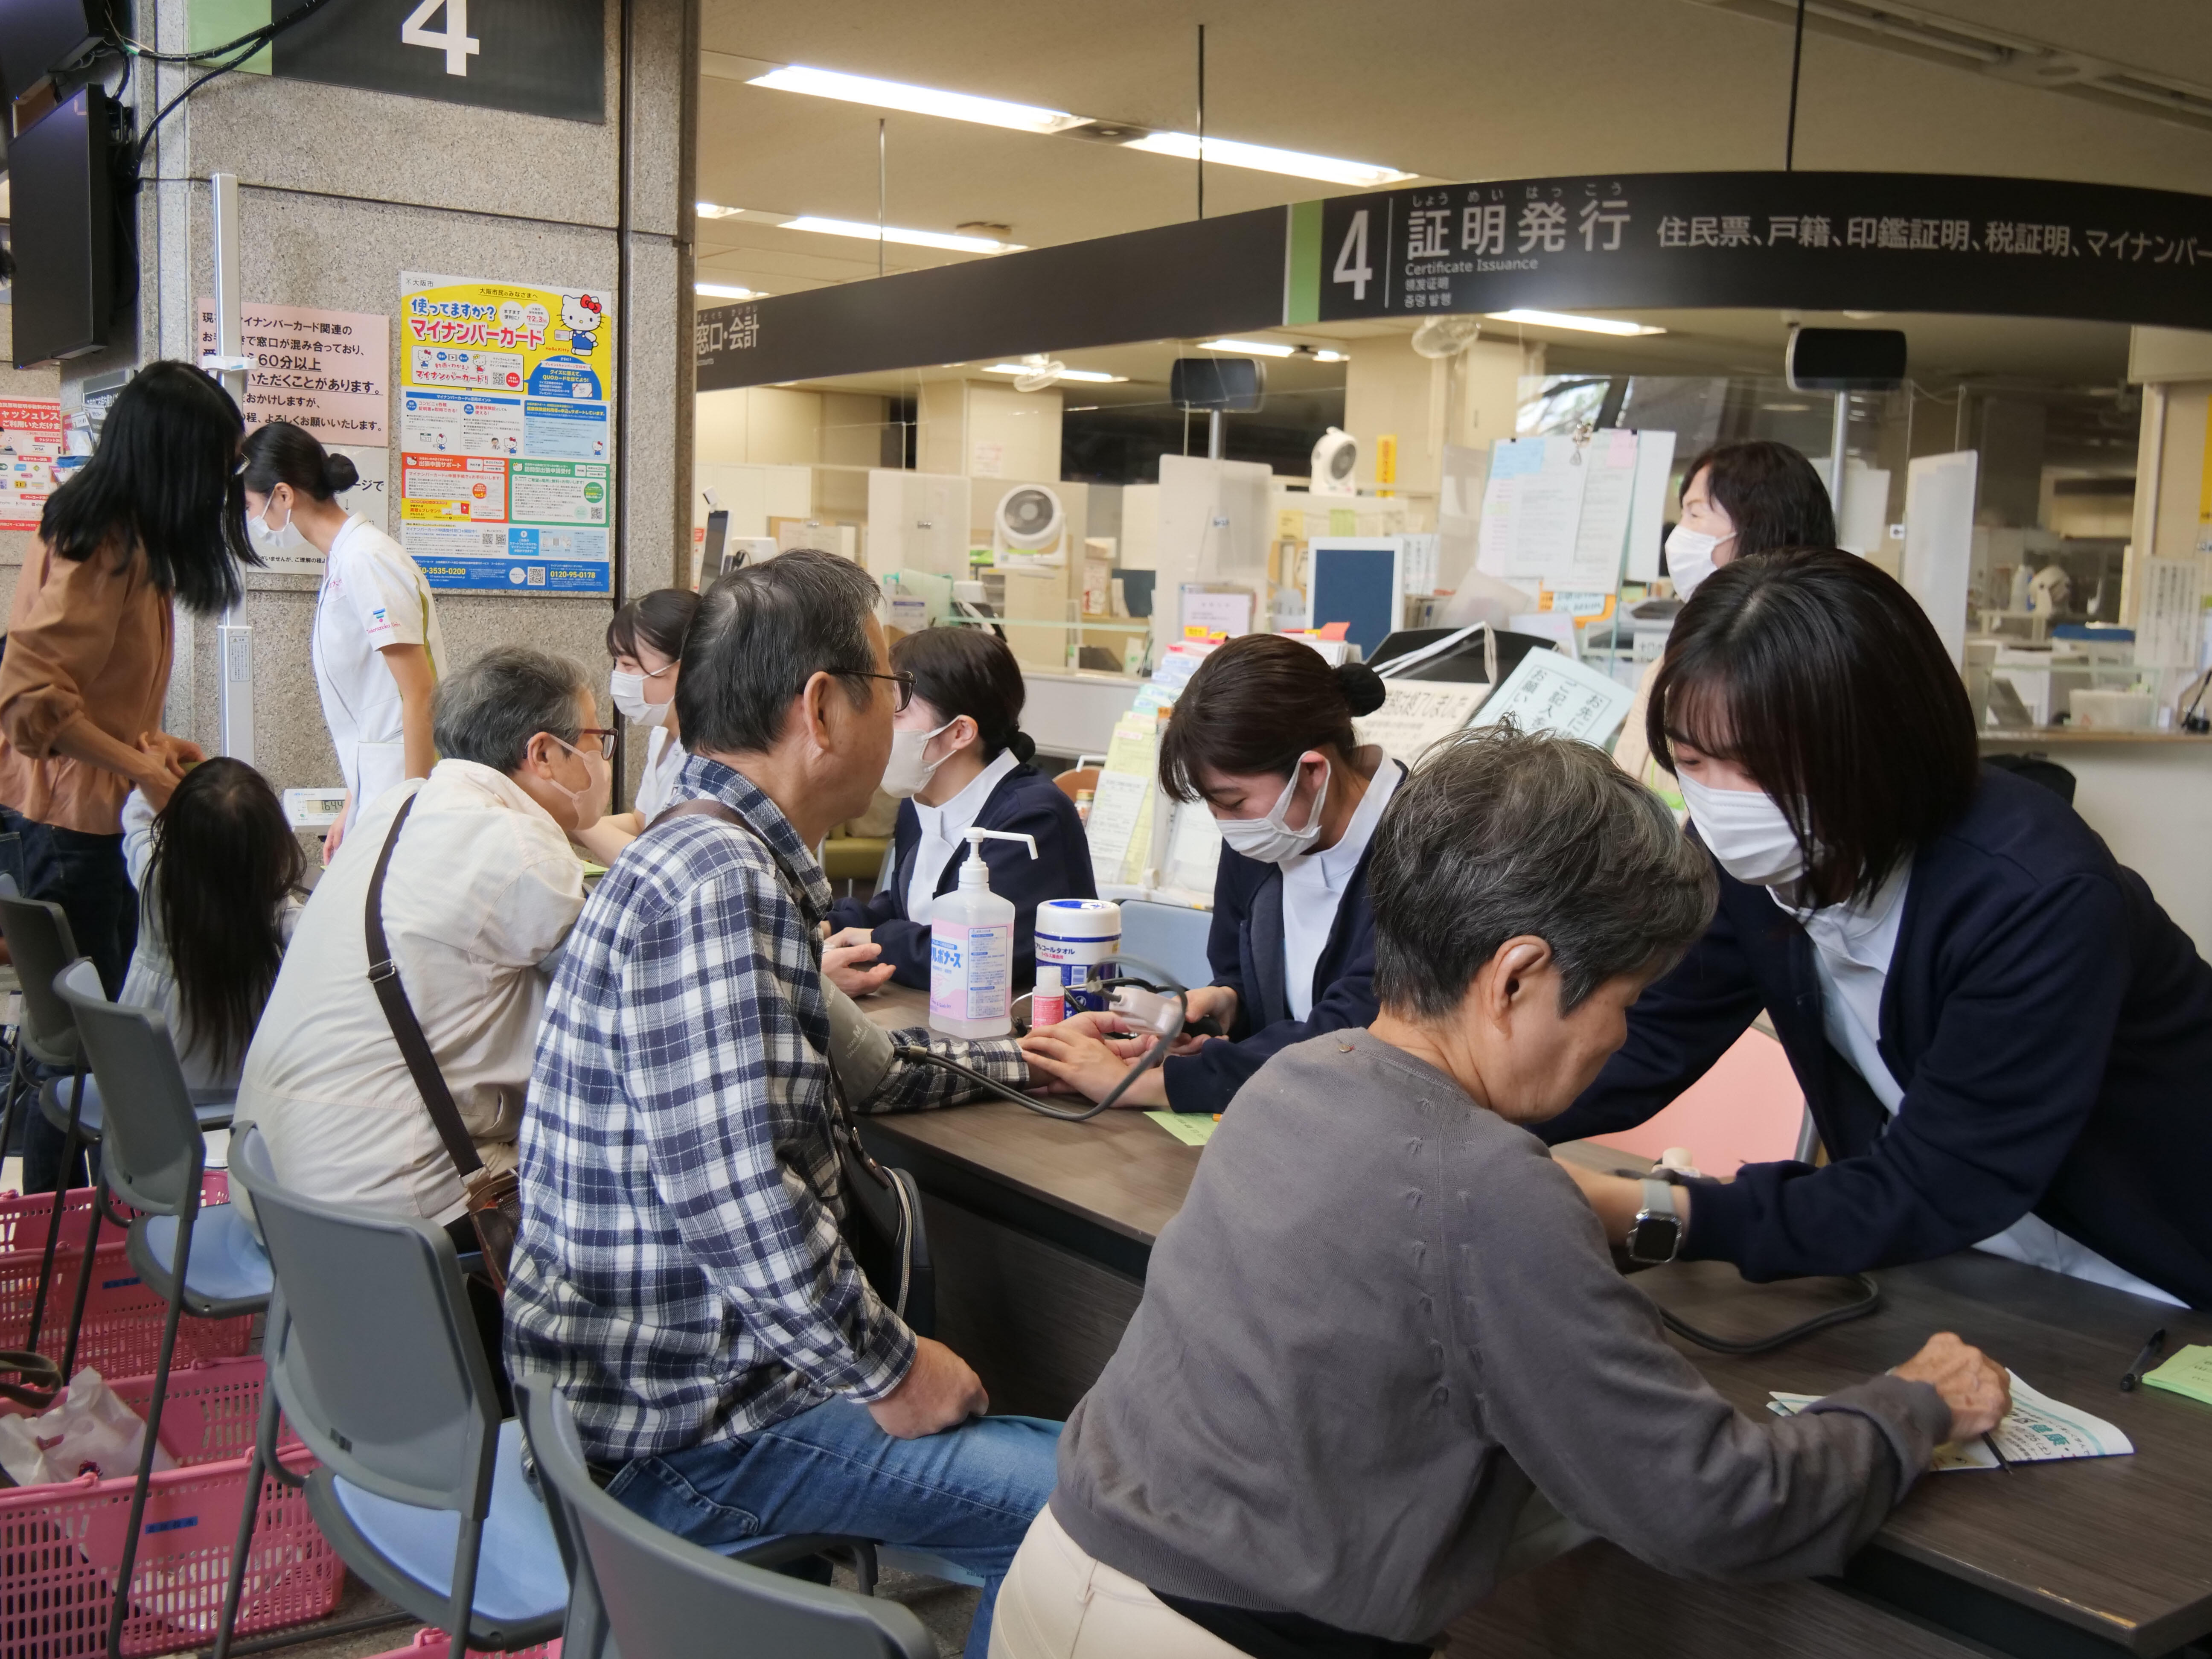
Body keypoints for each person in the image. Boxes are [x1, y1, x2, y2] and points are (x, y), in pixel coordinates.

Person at [994, 727, 2009, 1659]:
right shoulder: (1486, 1187)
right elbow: (1713, 1507)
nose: (1620, 1037)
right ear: (1517, 977)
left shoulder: (1295, 1080)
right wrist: (1911, 1406)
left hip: (1054, 1577)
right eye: (1623, 1001)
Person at [503, 552, 1062, 1659]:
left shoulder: (704, 850)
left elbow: (870, 1068)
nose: (899, 711)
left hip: (644, 1400)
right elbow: (736, 1196)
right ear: (821, 708)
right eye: (890, 685)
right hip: (689, 1440)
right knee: (1081, 1517)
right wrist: (893, 1370)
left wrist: (1035, 1060)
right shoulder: (721, 884)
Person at [1545, 549, 2212, 1310]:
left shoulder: (2032, 897)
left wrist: (1645, 1210)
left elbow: (1940, 1179)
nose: (1722, 803)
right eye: (1692, 760)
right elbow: (1646, 1038)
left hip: (2156, 1271)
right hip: (1969, 1261)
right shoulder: (1751, 856)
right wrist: (1467, 1107)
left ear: (1876, 744)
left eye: (1756, 767)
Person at [0, 361, 257, 1190]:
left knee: (82, 1049)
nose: (224, 485)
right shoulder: (102, 543)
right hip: (72, 829)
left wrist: (153, 743)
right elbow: (31, 699)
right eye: (218, 462)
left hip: (82, 817)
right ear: (175, 454)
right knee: (85, 1058)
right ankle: (63, 1223)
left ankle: (67, 1224)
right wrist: (140, 767)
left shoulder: (124, 536)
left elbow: (91, 693)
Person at [233, 647, 599, 1226]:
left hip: (272, 1177)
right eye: (599, 740)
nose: (603, 759)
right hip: (379, 1205)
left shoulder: (400, 805)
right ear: (544, 753)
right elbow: (617, 997)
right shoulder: (518, 847)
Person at [1021, 634, 1400, 1115]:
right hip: (1283, 1110)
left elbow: (1358, 1034)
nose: (1226, 823)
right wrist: (1227, 1003)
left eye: (1233, 802)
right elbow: (1244, 975)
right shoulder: (1268, 832)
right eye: (1213, 804)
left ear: (1312, 772)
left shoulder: (1428, 851)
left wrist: (1152, 1086)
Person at [826, 625, 1094, 992]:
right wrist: (836, 925)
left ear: (960, 732)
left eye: (896, 713)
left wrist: (875, 940)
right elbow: (911, 907)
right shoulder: (920, 801)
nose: (880, 727)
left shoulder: (1032, 817)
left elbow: (978, 953)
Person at [243, 421, 445, 857]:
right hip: (377, 777)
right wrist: (352, 803)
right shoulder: (345, 559)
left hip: (401, 779)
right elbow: (371, 699)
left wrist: (412, 807)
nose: (253, 520)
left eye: (250, 505)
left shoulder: (366, 559)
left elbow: (420, 692)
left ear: (283, 495)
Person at [1612, 440, 1835, 801]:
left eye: (1695, 515)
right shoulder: (1669, 664)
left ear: (1760, 525)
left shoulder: (1816, 663)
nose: (1679, 535)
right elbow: (1622, 787)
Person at [120, 759, 306, 1095]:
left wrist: (152, 770)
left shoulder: (153, 875)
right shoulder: (267, 901)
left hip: (145, 1083)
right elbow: (312, 933)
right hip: (238, 1097)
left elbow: (137, 822)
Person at [573, 587, 699, 865]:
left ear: (687, 667)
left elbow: (666, 863)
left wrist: (577, 819)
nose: (619, 676)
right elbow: (641, 823)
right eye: (617, 663)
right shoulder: (662, 735)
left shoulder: (715, 753)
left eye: (629, 665)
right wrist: (554, 819)